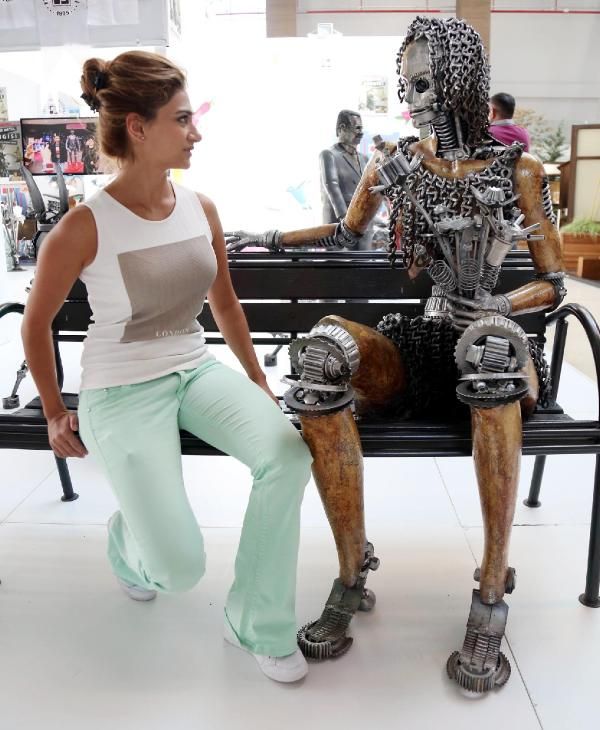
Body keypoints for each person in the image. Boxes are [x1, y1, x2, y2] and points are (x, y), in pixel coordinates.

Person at [226, 16, 563, 694]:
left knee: (490, 356)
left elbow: (553, 283)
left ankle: (490, 594)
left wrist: (500, 305)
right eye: (406, 83)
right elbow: (345, 232)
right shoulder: (393, 162)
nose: (412, 96)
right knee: (322, 359)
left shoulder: (519, 170)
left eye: (425, 82)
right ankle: (351, 575)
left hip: (491, 347)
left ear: (461, 80)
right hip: (420, 343)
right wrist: (267, 236)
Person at [20, 50, 312, 684]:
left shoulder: (200, 206)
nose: (195, 133)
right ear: (138, 127)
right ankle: (128, 543)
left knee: (287, 456)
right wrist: (54, 411)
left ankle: (257, 622)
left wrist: (256, 381)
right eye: (182, 119)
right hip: (120, 388)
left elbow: (224, 302)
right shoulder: (83, 227)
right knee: (178, 570)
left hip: (194, 367)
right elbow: (34, 323)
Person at [319, 110, 382, 250]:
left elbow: (369, 189)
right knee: (338, 263)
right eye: (357, 128)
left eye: (362, 128)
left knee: (363, 261)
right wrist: (346, 221)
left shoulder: (364, 159)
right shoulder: (329, 155)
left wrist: (373, 218)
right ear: (342, 128)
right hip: (339, 228)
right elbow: (332, 187)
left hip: (363, 226)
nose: (361, 133)